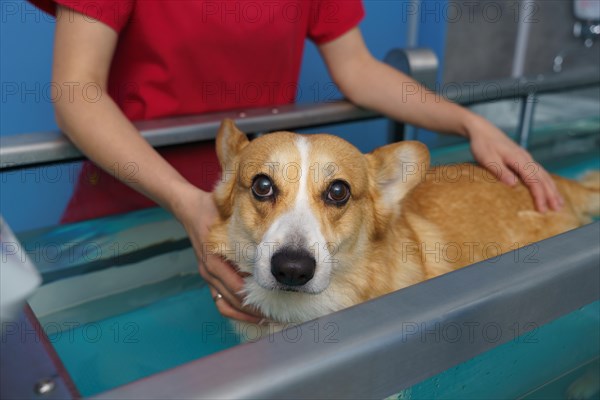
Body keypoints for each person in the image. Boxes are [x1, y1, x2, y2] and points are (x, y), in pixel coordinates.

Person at [31, 0, 563, 323]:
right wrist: (183, 200)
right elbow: (77, 89)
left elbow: (357, 68)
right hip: (134, 208)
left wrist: (470, 123)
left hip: (277, 214)